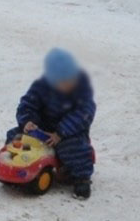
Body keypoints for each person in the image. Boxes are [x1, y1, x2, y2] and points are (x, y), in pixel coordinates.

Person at [6, 48, 96, 199]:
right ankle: (10, 163)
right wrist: (28, 121)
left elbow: (83, 114)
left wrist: (60, 133)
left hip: (68, 133)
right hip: (40, 129)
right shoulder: (41, 87)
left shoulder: (82, 91)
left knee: (74, 148)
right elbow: (27, 104)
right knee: (15, 136)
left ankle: (81, 178)